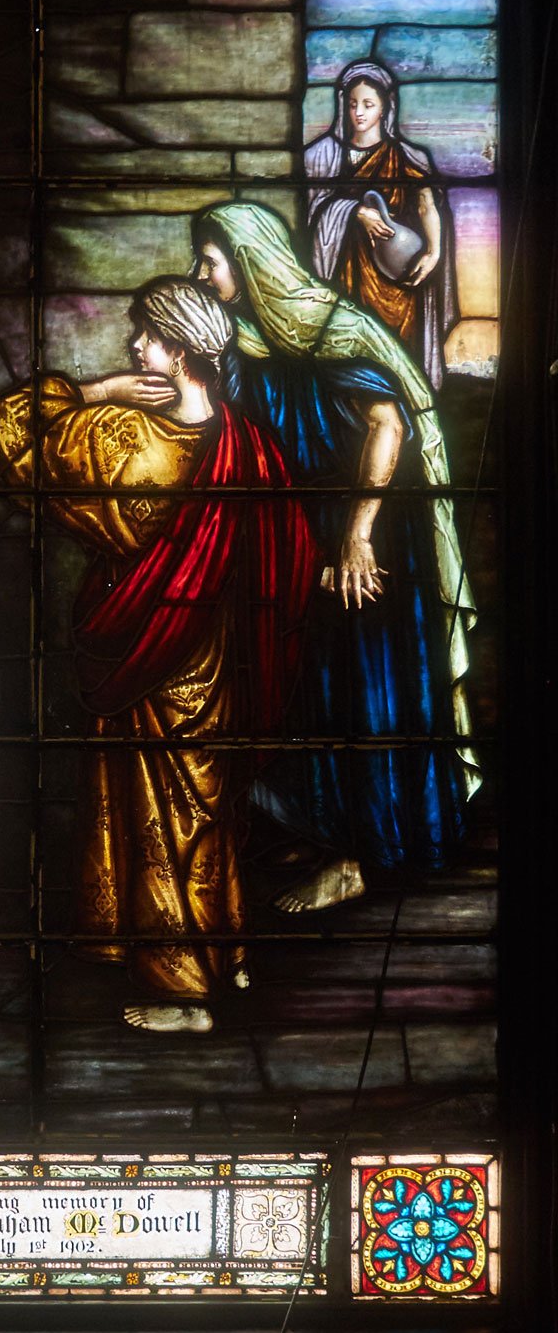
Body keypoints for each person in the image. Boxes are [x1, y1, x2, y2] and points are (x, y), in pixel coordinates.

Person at [0, 277, 317, 1032]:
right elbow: (290, 558)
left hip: (140, 649)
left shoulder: (120, 438)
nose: (135, 347)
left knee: (157, 812)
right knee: (204, 808)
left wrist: (94, 389)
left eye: (146, 335)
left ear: (179, 349)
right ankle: (225, 953)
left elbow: (18, 443)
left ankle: (180, 989)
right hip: (219, 661)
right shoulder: (251, 445)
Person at [190, 201, 479, 912]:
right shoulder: (248, 341)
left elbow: (388, 424)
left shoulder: (324, 328)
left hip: (364, 522)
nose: (203, 274)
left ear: (249, 260)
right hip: (297, 528)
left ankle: (360, 852)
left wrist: (357, 534)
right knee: (299, 679)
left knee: (357, 684)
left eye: (212, 261)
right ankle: (316, 826)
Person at [305, 59, 459, 390]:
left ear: (384, 108)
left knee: (402, 359)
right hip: (350, 275)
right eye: (352, 104)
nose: (358, 112)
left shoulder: (406, 156)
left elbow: (426, 203)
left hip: (402, 279)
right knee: (356, 359)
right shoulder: (327, 156)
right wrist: (354, 212)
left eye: (368, 104)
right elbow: (315, 213)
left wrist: (433, 252)